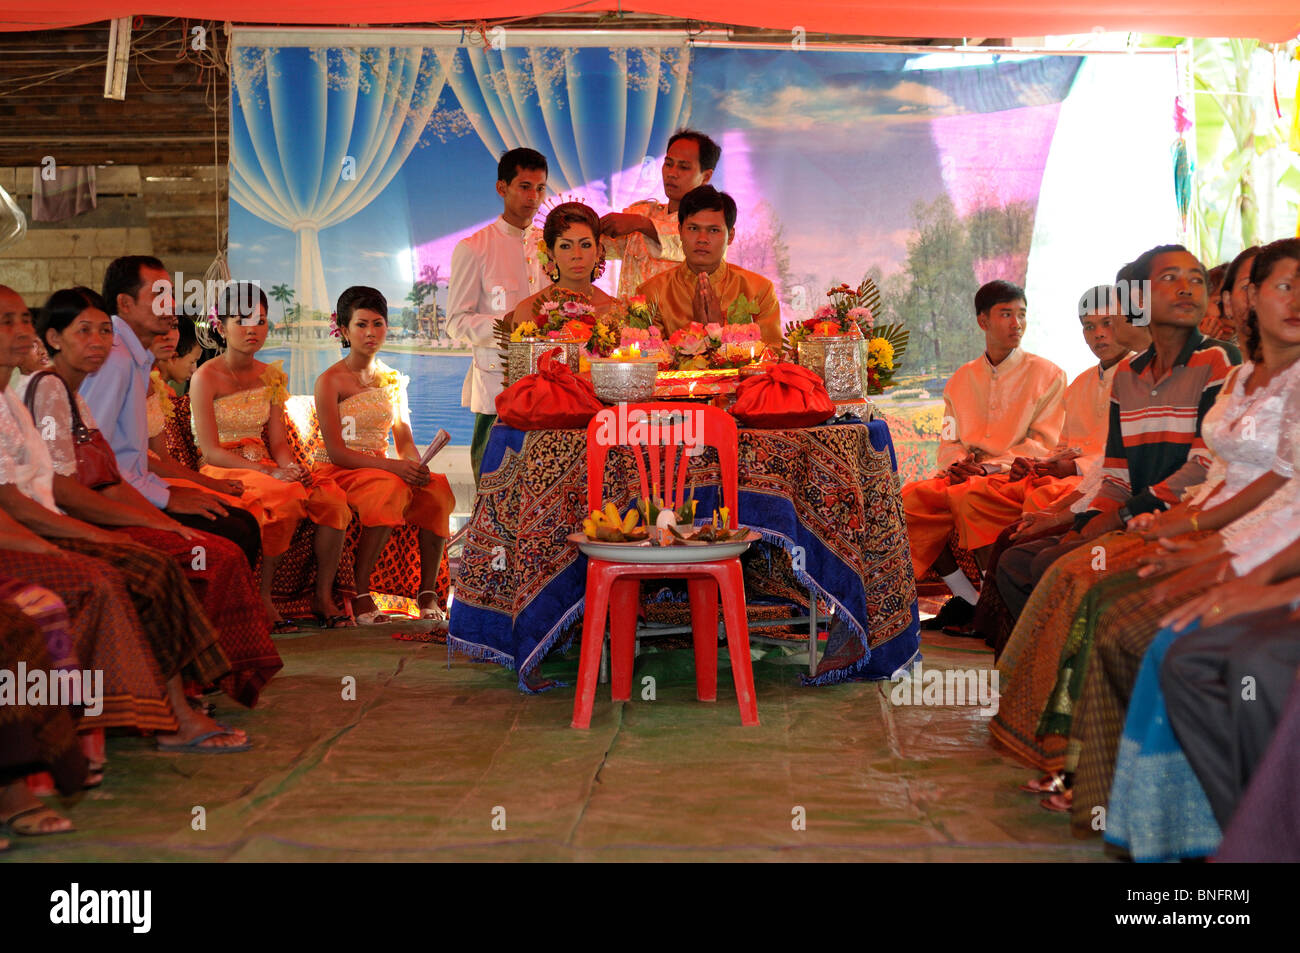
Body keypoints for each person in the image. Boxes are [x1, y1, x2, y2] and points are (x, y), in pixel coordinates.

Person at [985, 246, 1241, 786]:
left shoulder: (1217, 362)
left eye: (1196, 279)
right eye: (1171, 279)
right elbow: (1119, 472)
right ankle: (1053, 733)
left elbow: (1203, 466)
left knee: (1074, 575)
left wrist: (1126, 517)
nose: (1189, 289)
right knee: (1049, 563)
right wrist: (1094, 520)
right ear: (1139, 302)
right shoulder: (1129, 380)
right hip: (1137, 513)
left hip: (1190, 519)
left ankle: (1086, 750)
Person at [0, 286, 251, 754]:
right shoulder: (45, 389)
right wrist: (88, 538)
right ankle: (160, 712)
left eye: (102, 332)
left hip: (52, 521)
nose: (98, 342)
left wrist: (162, 521)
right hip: (39, 529)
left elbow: (111, 475)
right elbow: (40, 495)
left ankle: (181, 703)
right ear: (55, 338)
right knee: (146, 568)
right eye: (6, 322)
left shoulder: (36, 398)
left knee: (191, 546)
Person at [899, 280, 1066, 630]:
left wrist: (989, 468)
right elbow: (950, 437)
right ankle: (971, 600)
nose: (1016, 324)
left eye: (1021, 315)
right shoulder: (961, 379)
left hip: (1015, 473)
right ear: (983, 321)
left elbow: (1043, 441)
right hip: (966, 474)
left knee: (971, 497)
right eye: (1006, 314)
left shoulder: (1048, 374)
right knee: (909, 501)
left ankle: (997, 605)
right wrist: (958, 466)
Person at [80, 255, 263, 570]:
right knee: (232, 534)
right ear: (125, 304)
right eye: (159, 294)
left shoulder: (135, 359)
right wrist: (164, 501)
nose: (171, 303)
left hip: (137, 488)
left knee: (243, 522)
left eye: (172, 295)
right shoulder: (116, 359)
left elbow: (138, 463)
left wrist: (168, 491)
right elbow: (93, 463)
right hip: (113, 503)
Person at [191, 282, 352, 630]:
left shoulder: (271, 375)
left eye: (261, 321)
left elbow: (278, 443)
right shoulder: (205, 377)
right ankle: (262, 599)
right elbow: (211, 451)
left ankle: (322, 598)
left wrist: (292, 468)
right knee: (283, 496)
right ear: (221, 327)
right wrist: (272, 476)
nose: (253, 329)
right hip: (223, 467)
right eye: (242, 320)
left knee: (333, 498)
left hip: (264, 465)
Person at [314, 286, 454, 627]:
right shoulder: (329, 381)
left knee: (437, 490)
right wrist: (394, 467)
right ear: (344, 330)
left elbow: (404, 441)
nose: (371, 333)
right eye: (361, 325)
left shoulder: (392, 380)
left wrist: (417, 467)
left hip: (378, 467)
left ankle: (428, 593)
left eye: (378, 324)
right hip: (339, 469)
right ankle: (361, 593)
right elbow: (335, 451)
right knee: (388, 488)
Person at [446, 148, 548, 485]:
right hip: (496, 391)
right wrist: (506, 326)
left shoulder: (551, 245)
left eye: (540, 188)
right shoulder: (474, 248)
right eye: (524, 186)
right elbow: (456, 322)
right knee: (492, 490)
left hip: (549, 389)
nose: (533, 197)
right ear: (501, 188)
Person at [635, 185, 782, 346]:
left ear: (730, 236)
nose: (702, 239)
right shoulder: (650, 294)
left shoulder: (759, 290)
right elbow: (647, 362)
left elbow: (771, 359)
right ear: (680, 232)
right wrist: (698, 331)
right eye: (693, 228)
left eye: (713, 230)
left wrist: (718, 330)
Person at [601, 128, 722, 297]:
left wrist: (640, 224)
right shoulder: (643, 212)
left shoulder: (715, 223)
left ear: (706, 176)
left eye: (684, 167)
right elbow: (599, 247)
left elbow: (683, 241)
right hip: (626, 320)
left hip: (681, 323)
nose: (672, 173)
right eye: (668, 163)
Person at [509, 202, 617, 329]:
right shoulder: (527, 311)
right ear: (551, 253)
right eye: (565, 246)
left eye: (585, 245)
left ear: (598, 251)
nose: (577, 255)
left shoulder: (616, 312)